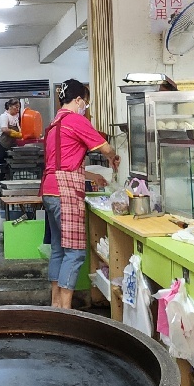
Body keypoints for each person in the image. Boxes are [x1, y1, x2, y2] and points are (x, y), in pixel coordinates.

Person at [40, 79, 120, 310]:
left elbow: (62, 163)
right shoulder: (75, 119)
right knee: (74, 252)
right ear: (77, 100)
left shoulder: (55, 122)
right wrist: (112, 157)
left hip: (50, 189)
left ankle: (56, 303)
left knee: (58, 249)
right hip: (65, 193)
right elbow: (105, 147)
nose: (85, 106)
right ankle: (65, 310)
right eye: (85, 102)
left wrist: (92, 177)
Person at [0, 99, 21, 206]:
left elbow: (19, 130)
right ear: (9, 106)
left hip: (10, 146)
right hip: (0, 146)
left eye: (18, 107)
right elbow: (5, 129)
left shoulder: (15, 118)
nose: (17, 109)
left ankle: (7, 193)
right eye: (16, 107)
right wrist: (16, 134)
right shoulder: (4, 116)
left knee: (8, 169)